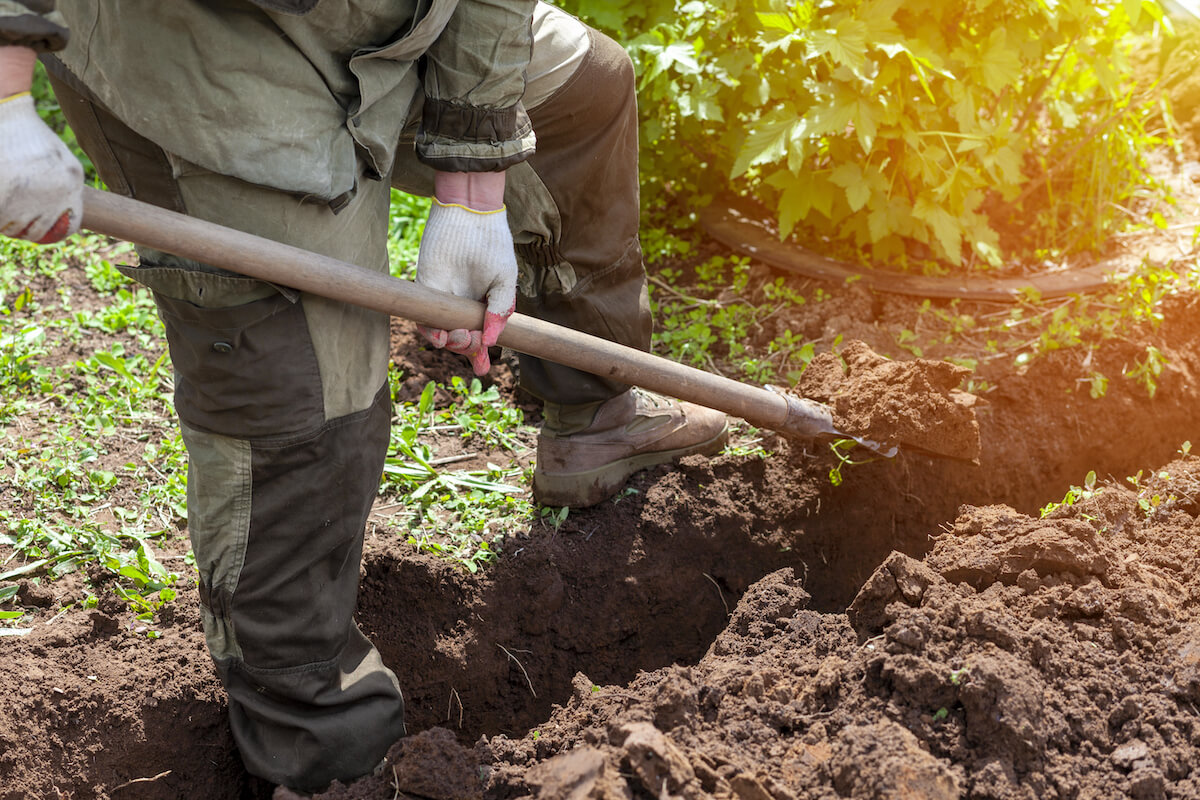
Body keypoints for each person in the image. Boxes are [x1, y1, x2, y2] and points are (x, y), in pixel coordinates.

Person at [0, 0, 728, 793]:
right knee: (311, 397)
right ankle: (321, 750)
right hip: (208, 55)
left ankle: (598, 421)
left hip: (399, 19)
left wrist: (475, 183)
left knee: (582, 88)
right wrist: (4, 91)